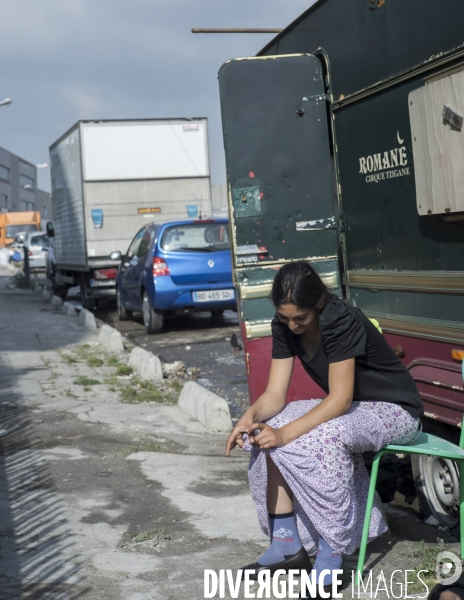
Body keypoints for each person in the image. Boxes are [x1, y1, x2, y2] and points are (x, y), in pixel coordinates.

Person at [225, 261, 424, 593]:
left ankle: (333, 556)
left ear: (318, 304)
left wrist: (286, 435)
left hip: (395, 410)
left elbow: (340, 400)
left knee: (322, 435)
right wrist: (250, 416)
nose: (293, 325)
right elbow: (275, 394)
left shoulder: (340, 319)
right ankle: (287, 543)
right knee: (268, 425)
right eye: (286, 317)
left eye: (300, 318)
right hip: (356, 409)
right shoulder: (285, 324)